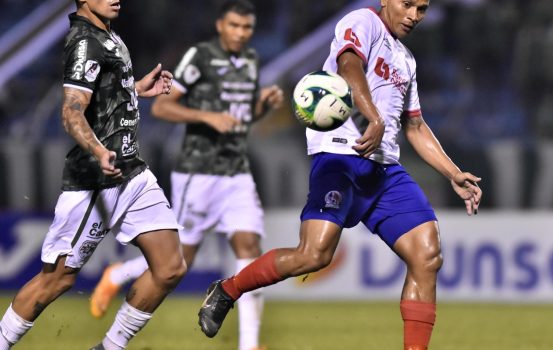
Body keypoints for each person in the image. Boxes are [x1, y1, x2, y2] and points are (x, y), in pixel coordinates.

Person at [197, 1, 482, 349]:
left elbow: (416, 125)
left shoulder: (406, 59)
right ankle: (227, 290)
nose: (413, 15)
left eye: (421, 9)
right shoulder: (363, 21)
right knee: (313, 255)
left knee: (427, 254)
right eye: (407, 4)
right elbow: (349, 66)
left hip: (385, 170)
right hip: (340, 157)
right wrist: (374, 118)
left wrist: (453, 173)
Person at [87, 1, 282, 349]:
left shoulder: (251, 61)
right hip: (199, 171)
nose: (241, 33)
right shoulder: (200, 56)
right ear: (221, 24)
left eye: (247, 28)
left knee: (249, 247)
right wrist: (207, 117)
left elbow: (238, 118)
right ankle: (118, 274)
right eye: (235, 25)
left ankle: (249, 345)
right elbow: (162, 105)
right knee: (181, 258)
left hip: (237, 170)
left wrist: (261, 107)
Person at [0, 1, 187, 349]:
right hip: (95, 180)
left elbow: (102, 94)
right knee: (55, 281)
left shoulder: (109, 36)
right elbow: (71, 112)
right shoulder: (85, 41)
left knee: (170, 267)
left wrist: (135, 90)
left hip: (132, 172)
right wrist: (99, 151)